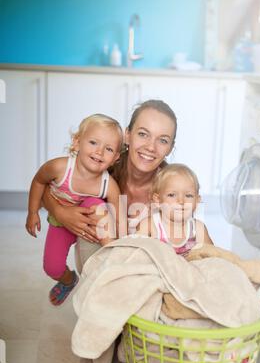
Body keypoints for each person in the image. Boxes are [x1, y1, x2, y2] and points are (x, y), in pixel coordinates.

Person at [41, 100, 178, 264]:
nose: (151, 147)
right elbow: (46, 188)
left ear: (170, 147)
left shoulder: (171, 187)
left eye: (162, 140)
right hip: (97, 264)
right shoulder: (102, 163)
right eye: (143, 134)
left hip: (144, 269)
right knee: (94, 205)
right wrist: (59, 211)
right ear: (127, 135)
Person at [26, 113, 123, 306]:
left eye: (109, 149)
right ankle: (69, 280)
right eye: (93, 142)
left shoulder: (109, 185)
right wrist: (33, 211)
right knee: (52, 268)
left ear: (115, 158)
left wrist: (118, 242)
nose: (99, 151)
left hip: (88, 218)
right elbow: (39, 181)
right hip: (60, 222)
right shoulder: (59, 167)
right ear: (77, 142)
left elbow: (118, 216)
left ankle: (112, 255)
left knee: (97, 205)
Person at [137, 163, 213, 256]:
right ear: (157, 200)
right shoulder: (149, 225)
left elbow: (212, 257)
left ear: (197, 201)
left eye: (188, 195)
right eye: (171, 195)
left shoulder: (197, 228)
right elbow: (134, 253)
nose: (181, 201)